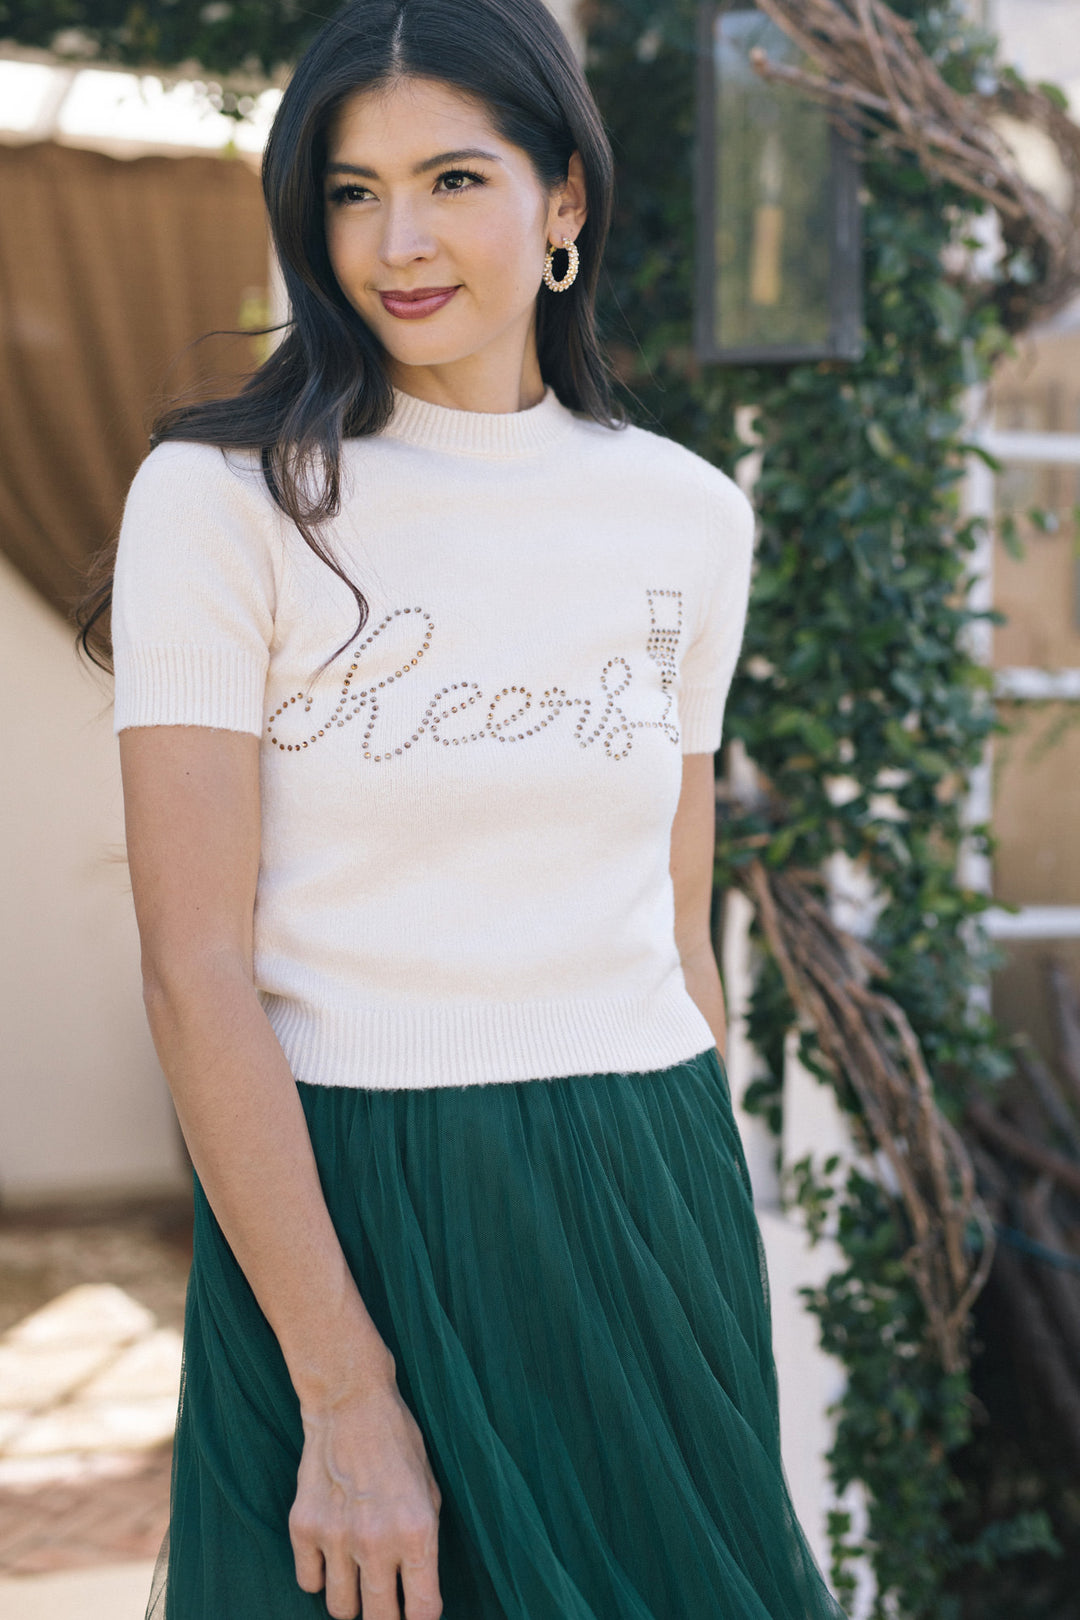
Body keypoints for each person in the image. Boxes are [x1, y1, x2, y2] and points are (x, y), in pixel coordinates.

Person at [83, 0, 846, 1615]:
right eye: (352, 192)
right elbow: (194, 969)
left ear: (563, 197)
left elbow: (676, 920)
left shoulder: (688, 518)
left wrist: (697, 1224)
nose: (398, 242)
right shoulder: (224, 504)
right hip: (351, 1202)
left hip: (644, 1184)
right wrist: (344, 1391)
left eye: (451, 179)